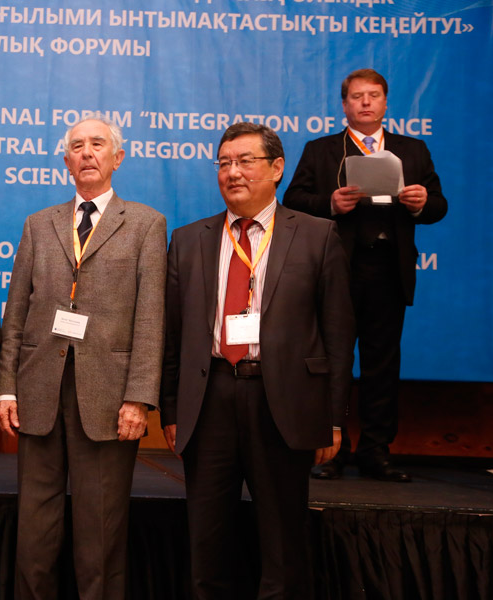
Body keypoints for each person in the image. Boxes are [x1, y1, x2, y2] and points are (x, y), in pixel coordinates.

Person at [162, 123, 355, 598]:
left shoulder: (317, 235)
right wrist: (170, 409)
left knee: (284, 544)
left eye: (245, 161)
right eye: (224, 163)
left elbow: (337, 335)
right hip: (209, 400)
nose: (233, 172)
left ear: (277, 168)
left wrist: (333, 418)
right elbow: (172, 335)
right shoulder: (188, 240)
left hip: (282, 401)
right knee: (207, 542)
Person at [0, 116, 167, 600]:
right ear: (66, 161)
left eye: (97, 144)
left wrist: (139, 398)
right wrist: (5, 388)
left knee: (101, 532)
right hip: (38, 391)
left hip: (109, 398)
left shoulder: (146, 224)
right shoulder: (38, 223)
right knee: (34, 531)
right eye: (77, 146)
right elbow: (16, 312)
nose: (87, 152)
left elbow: (151, 317)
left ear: (118, 158)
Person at [284, 68, 448, 482]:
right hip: (337, 269)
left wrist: (421, 203)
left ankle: (376, 451)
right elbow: (294, 200)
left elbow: (439, 205)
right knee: (333, 361)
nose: (366, 102)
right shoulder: (322, 150)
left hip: (388, 270)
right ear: (344, 105)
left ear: (386, 103)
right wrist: (330, 204)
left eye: (374, 95)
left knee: (382, 364)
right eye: (357, 96)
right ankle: (330, 449)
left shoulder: (412, 150)